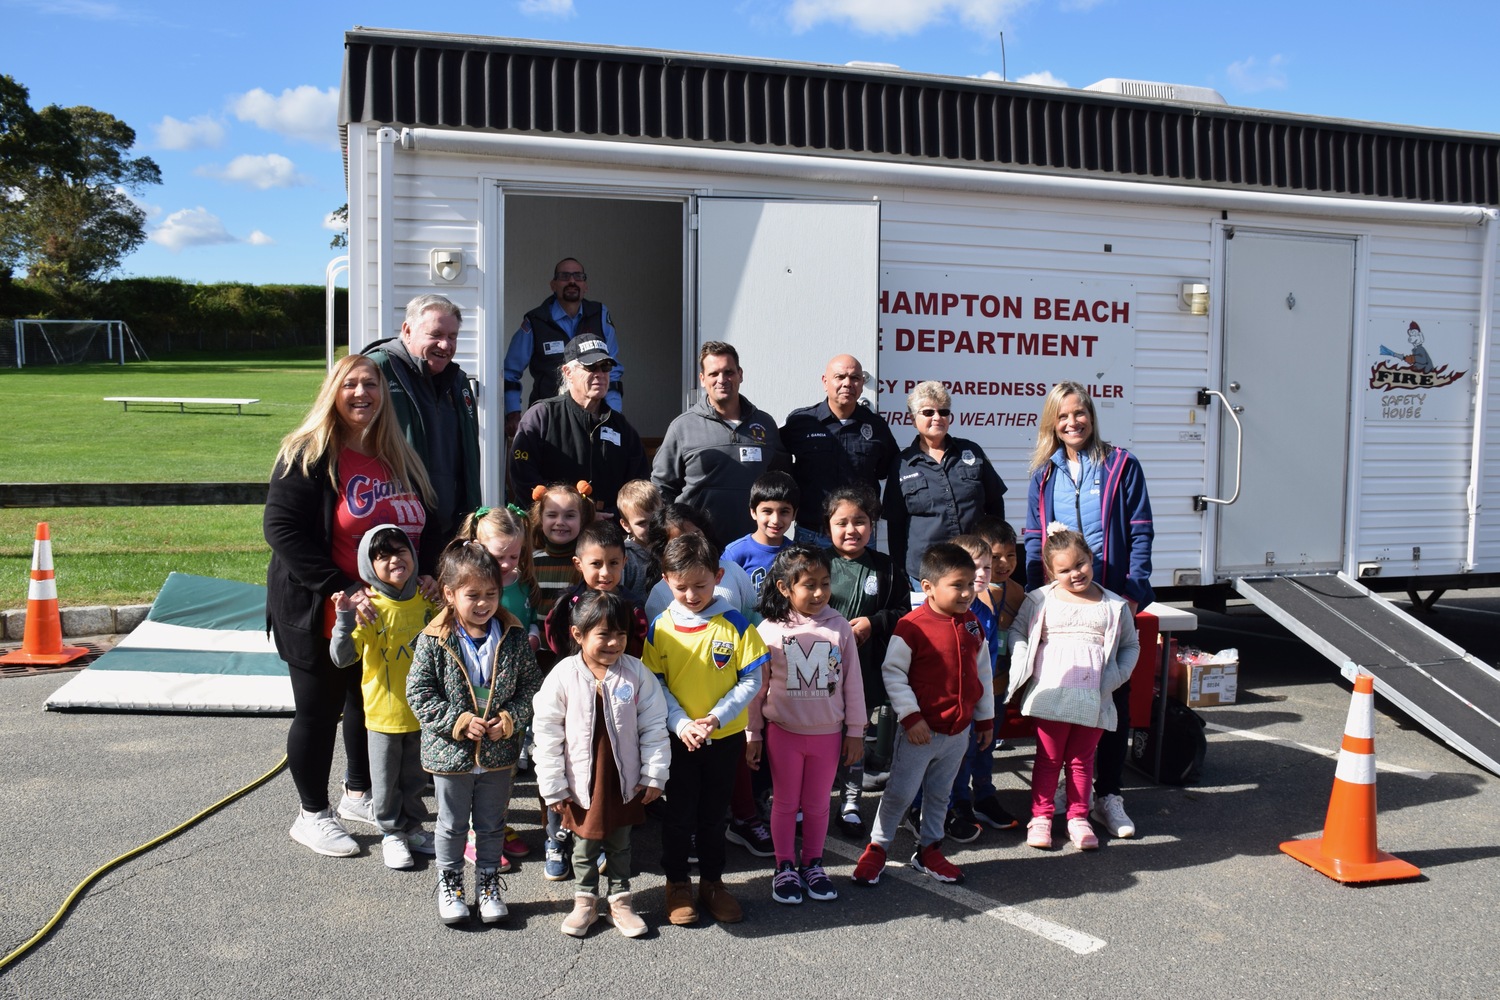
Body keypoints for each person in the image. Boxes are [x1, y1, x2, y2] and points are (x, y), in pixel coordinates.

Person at [265, 353, 434, 858]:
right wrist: (342, 586)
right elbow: (282, 530)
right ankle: (311, 813)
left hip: (387, 612)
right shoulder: (308, 452)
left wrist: (428, 571)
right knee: (319, 712)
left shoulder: (397, 453)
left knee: (369, 704)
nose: (362, 393)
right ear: (332, 394)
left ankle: (360, 794)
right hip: (322, 606)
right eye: (351, 385)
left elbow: (432, 516)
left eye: (372, 385)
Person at [1023, 380, 1154, 840]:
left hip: (1109, 600)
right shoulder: (1043, 474)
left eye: (1079, 413)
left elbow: (1140, 531)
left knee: (1108, 698)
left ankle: (1108, 796)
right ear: (1052, 423)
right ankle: (1063, 795)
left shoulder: (1121, 464)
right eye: (1062, 416)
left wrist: (1133, 592)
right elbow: (1033, 538)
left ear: (1091, 416)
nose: (1072, 422)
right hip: (1060, 604)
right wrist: (1030, 592)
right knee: (1060, 695)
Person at [406, 540, 542, 926]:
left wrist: (510, 719)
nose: (483, 603)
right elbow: (418, 692)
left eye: (491, 594)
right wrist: (459, 722)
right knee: (450, 824)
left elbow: (531, 688)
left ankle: (488, 886)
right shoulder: (434, 640)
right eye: (472, 595)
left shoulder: (512, 636)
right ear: (449, 594)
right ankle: (451, 886)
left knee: (491, 823)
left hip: (498, 755)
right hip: (451, 755)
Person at [643, 532, 768, 925]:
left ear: (718, 576)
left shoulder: (736, 624)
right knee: (679, 816)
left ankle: (713, 883)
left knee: (715, 815)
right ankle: (677, 883)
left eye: (701, 585)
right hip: (679, 740)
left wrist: (715, 718)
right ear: (666, 580)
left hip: (723, 737)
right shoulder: (660, 628)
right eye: (682, 588)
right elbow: (655, 684)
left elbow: (751, 680)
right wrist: (681, 723)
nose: (692, 595)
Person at [851, 543, 993, 887]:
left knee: (940, 794)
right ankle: (878, 847)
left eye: (971, 583)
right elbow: (894, 673)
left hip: (958, 733)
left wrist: (985, 718)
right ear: (927, 587)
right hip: (921, 732)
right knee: (900, 792)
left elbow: (982, 672)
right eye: (956, 585)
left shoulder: (972, 624)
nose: (966, 592)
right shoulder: (911, 626)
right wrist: (911, 717)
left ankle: (929, 848)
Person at [532, 590, 671, 939]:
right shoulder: (564, 674)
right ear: (578, 635)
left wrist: (654, 774)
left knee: (621, 843)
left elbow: (654, 726)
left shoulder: (636, 673)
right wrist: (553, 786)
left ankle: (621, 900)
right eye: (603, 634)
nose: (613, 642)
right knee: (584, 843)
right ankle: (585, 899)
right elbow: (547, 734)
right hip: (581, 780)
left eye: (620, 634)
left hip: (621, 780)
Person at [1007, 524, 1140, 851]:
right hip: (1050, 695)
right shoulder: (1039, 599)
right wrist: (1025, 662)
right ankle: (1041, 816)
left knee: (1082, 760)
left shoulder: (1113, 605)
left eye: (1080, 564)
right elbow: (1018, 633)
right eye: (1064, 569)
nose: (1074, 574)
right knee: (1049, 758)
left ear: (1091, 559)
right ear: (1051, 571)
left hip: (1094, 698)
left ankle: (1079, 817)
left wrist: (1113, 679)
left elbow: (1130, 646)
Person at [746, 546, 865, 905]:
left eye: (825, 583)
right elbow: (756, 690)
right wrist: (753, 734)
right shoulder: (767, 630)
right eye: (808, 584)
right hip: (783, 734)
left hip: (828, 735)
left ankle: (813, 863)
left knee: (816, 805)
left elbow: (852, 682)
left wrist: (856, 731)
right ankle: (784, 866)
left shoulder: (840, 626)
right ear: (784, 588)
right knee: (784, 803)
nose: (818, 592)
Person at [539, 519, 650, 881]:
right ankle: (557, 839)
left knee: (605, 774)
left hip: (617, 698)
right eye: (596, 563)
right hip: (574, 697)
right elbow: (555, 643)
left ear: (625, 563)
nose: (605, 572)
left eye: (614, 563)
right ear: (578, 564)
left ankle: (602, 840)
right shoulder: (568, 603)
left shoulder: (632, 604)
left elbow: (638, 651)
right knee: (565, 766)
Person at [328, 525, 438, 870]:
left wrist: (442, 592)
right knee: (386, 781)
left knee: (416, 778)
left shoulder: (426, 599)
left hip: (422, 712)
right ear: (367, 566)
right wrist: (344, 618)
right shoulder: (370, 608)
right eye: (382, 555)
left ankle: (414, 828)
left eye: (400, 551)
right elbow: (342, 657)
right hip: (383, 715)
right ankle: (391, 833)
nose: (394, 560)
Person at [364, 294, 481, 570]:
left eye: (452, 336)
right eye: (436, 335)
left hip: (450, 531)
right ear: (407, 330)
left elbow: (468, 460)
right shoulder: (377, 370)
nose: (445, 345)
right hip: (394, 533)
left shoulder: (458, 381)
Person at [821, 484, 910, 837]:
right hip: (820, 671)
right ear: (828, 525)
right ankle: (810, 800)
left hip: (865, 669)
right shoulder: (817, 563)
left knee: (854, 733)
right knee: (822, 736)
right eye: (841, 522)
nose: (851, 530)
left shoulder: (886, 568)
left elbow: (904, 613)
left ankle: (852, 801)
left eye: (860, 521)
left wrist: (874, 623)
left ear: (872, 526)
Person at [652, 341, 790, 542]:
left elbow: (781, 481)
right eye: (714, 374)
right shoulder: (682, 426)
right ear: (702, 379)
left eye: (729, 372)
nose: (722, 380)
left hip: (753, 545)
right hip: (698, 545)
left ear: (740, 374)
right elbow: (661, 487)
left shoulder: (765, 424)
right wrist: (675, 532)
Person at [509, 333, 650, 520]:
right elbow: (523, 477)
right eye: (591, 367)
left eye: (605, 367)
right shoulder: (542, 416)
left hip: (606, 534)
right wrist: (574, 515)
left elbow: (638, 485)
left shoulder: (622, 428)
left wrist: (613, 515)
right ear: (568, 372)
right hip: (552, 533)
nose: (599, 374)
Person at [885, 380, 1007, 586]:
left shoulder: (971, 452)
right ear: (913, 419)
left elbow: (995, 504)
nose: (937, 418)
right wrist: (900, 572)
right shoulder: (902, 464)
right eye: (928, 412)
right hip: (927, 573)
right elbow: (895, 525)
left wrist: (992, 550)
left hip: (974, 567)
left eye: (943, 412)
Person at [945, 533, 1023, 836]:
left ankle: (985, 796)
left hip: (985, 696)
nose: (981, 575)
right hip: (954, 702)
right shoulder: (947, 611)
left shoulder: (986, 611)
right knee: (959, 755)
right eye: (972, 567)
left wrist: (986, 706)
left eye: (986, 568)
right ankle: (959, 801)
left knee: (984, 748)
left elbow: (987, 664)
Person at [780, 355, 899, 547]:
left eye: (855, 378)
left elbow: (888, 470)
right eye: (840, 377)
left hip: (858, 537)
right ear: (825, 382)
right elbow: (777, 461)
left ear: (861, 383)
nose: (847, 383)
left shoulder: (876, 427)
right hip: (812, 535)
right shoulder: (802, 422)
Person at [504, 257, 624, 437]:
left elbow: (612, 371)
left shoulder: (600, 315)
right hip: (547, 419)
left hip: (593, 417)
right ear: (553, 285)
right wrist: (513, 413)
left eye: (578, 276)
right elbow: (509, 372)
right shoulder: (536, 321)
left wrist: (613, 414)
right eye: (564, 276)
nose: (572, 281)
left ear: (585, 285)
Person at [642, 503, 759, 624]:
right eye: (680, 540)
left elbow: (755, 620)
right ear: (663, 548)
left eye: (696, 534)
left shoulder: (733, 570)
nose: (691, 543)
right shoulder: (659, 593)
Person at [723, 470, 799, 593]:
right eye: (767, 511)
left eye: (784, 512)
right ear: (753, 512)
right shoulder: (735, 553)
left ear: (794, 514)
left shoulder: (797, 554)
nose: (775, 520)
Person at [615, 479, 662, 596]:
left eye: (655, 518)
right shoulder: (625, 558)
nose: (651, 527)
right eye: (642, 523)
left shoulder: (673, 547)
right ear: (626, 525)